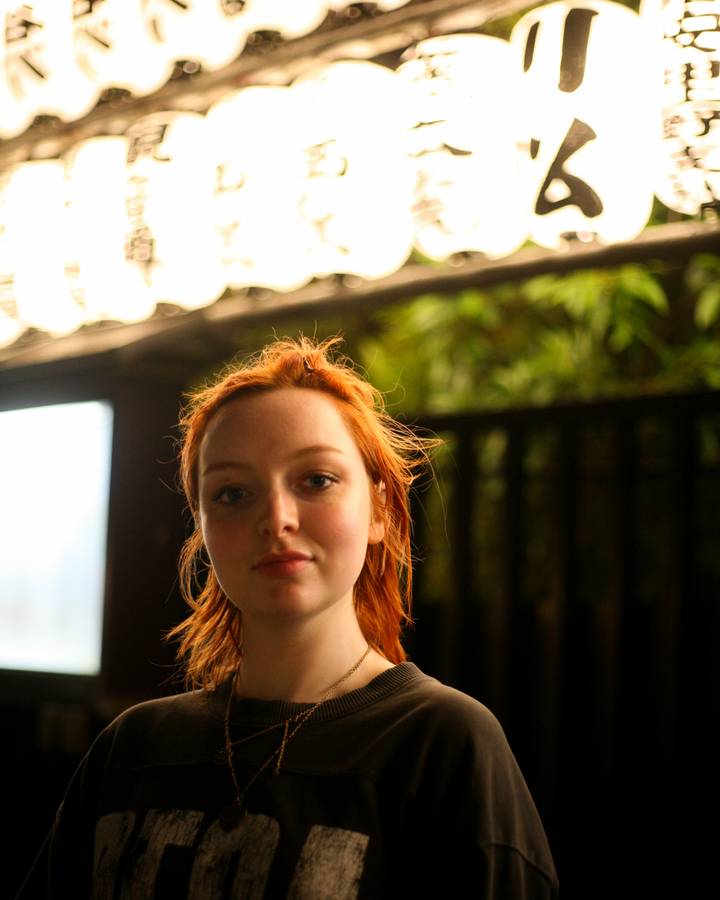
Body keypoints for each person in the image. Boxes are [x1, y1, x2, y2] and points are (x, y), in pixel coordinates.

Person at [19, 335, 559, 898]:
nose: (276, 519)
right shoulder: (132, 749)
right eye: (232, 493)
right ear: (200, 525)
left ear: (378, 509)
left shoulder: (440, 744)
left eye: (316, 480)